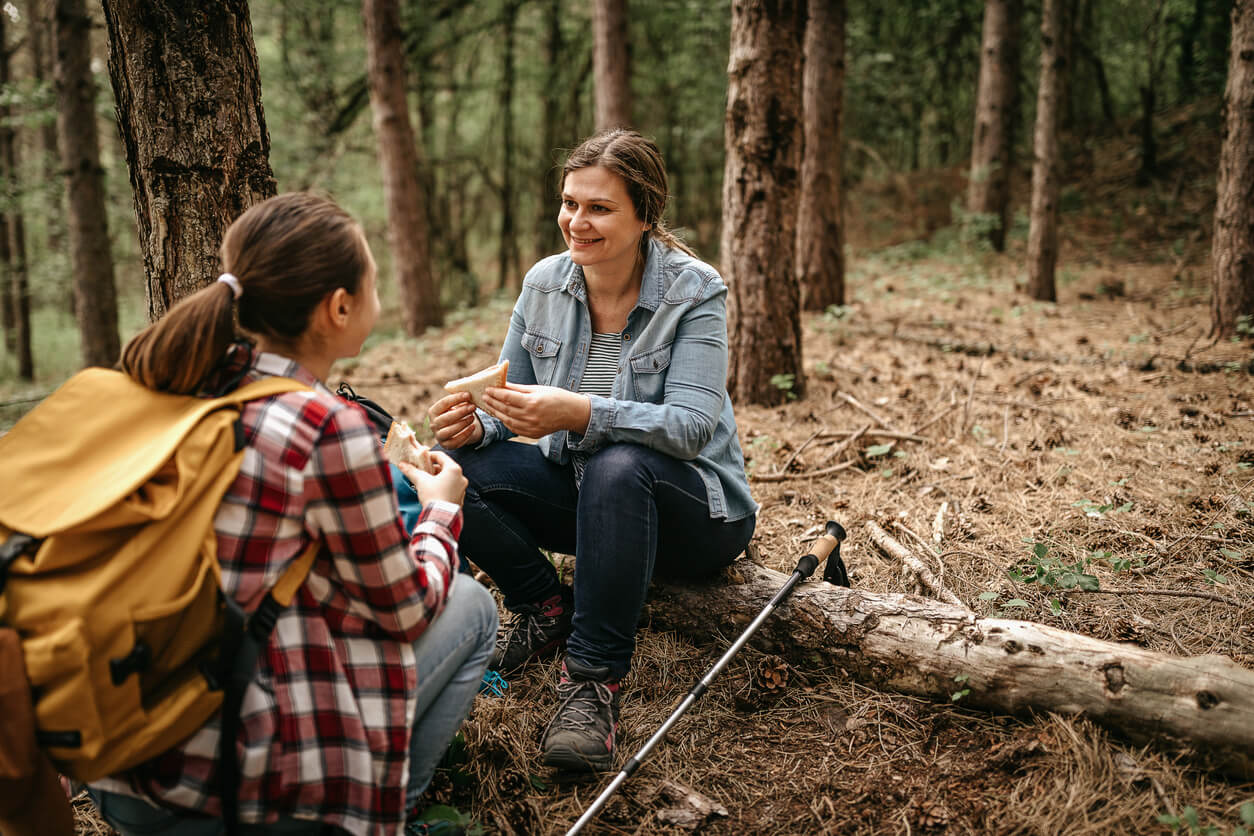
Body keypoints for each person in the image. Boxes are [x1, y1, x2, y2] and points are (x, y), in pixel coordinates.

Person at [86, 193, 497, 836]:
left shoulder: (181, 384)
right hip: (232, 779)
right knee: (472, 606)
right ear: (339, 308)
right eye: (373, 283)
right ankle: (378, 819)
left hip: (125, 760)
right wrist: (441, 514)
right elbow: (404, 608)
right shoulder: (325, 426)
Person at [427, 129, 757, 772]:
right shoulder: (546, 284)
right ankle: (543, 604)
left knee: (618, 462)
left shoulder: (695, 290)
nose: (576, 222)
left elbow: (691, 427)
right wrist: (476, 429)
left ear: (645, 214)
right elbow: (510, 396)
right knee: (457, 470)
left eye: (599, 208)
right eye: (570, 202)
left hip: (698, 514)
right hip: (590, 497)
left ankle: (590, 681)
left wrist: (582, 411)